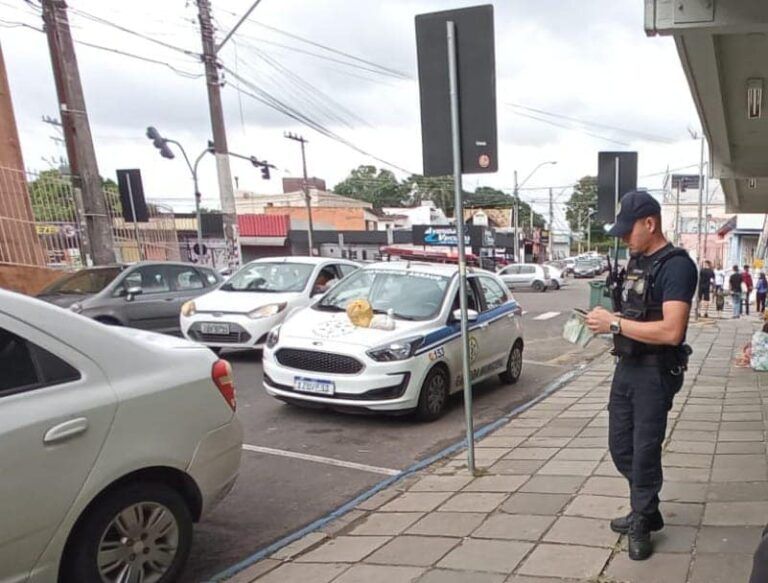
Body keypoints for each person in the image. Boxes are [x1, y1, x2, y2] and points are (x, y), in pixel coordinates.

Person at [586, 191, 696, 562]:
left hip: (655, 371)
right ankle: (647, 508)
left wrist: (615, 323)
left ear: (650, 224)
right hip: (627, 366)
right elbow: (631, 312)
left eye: (627, 231)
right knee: (621, 447)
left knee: (645, 451)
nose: (622, 239)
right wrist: (603, 323)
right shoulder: (636, 262)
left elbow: (671, 332)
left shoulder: (677, 266)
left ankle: (642, 521)